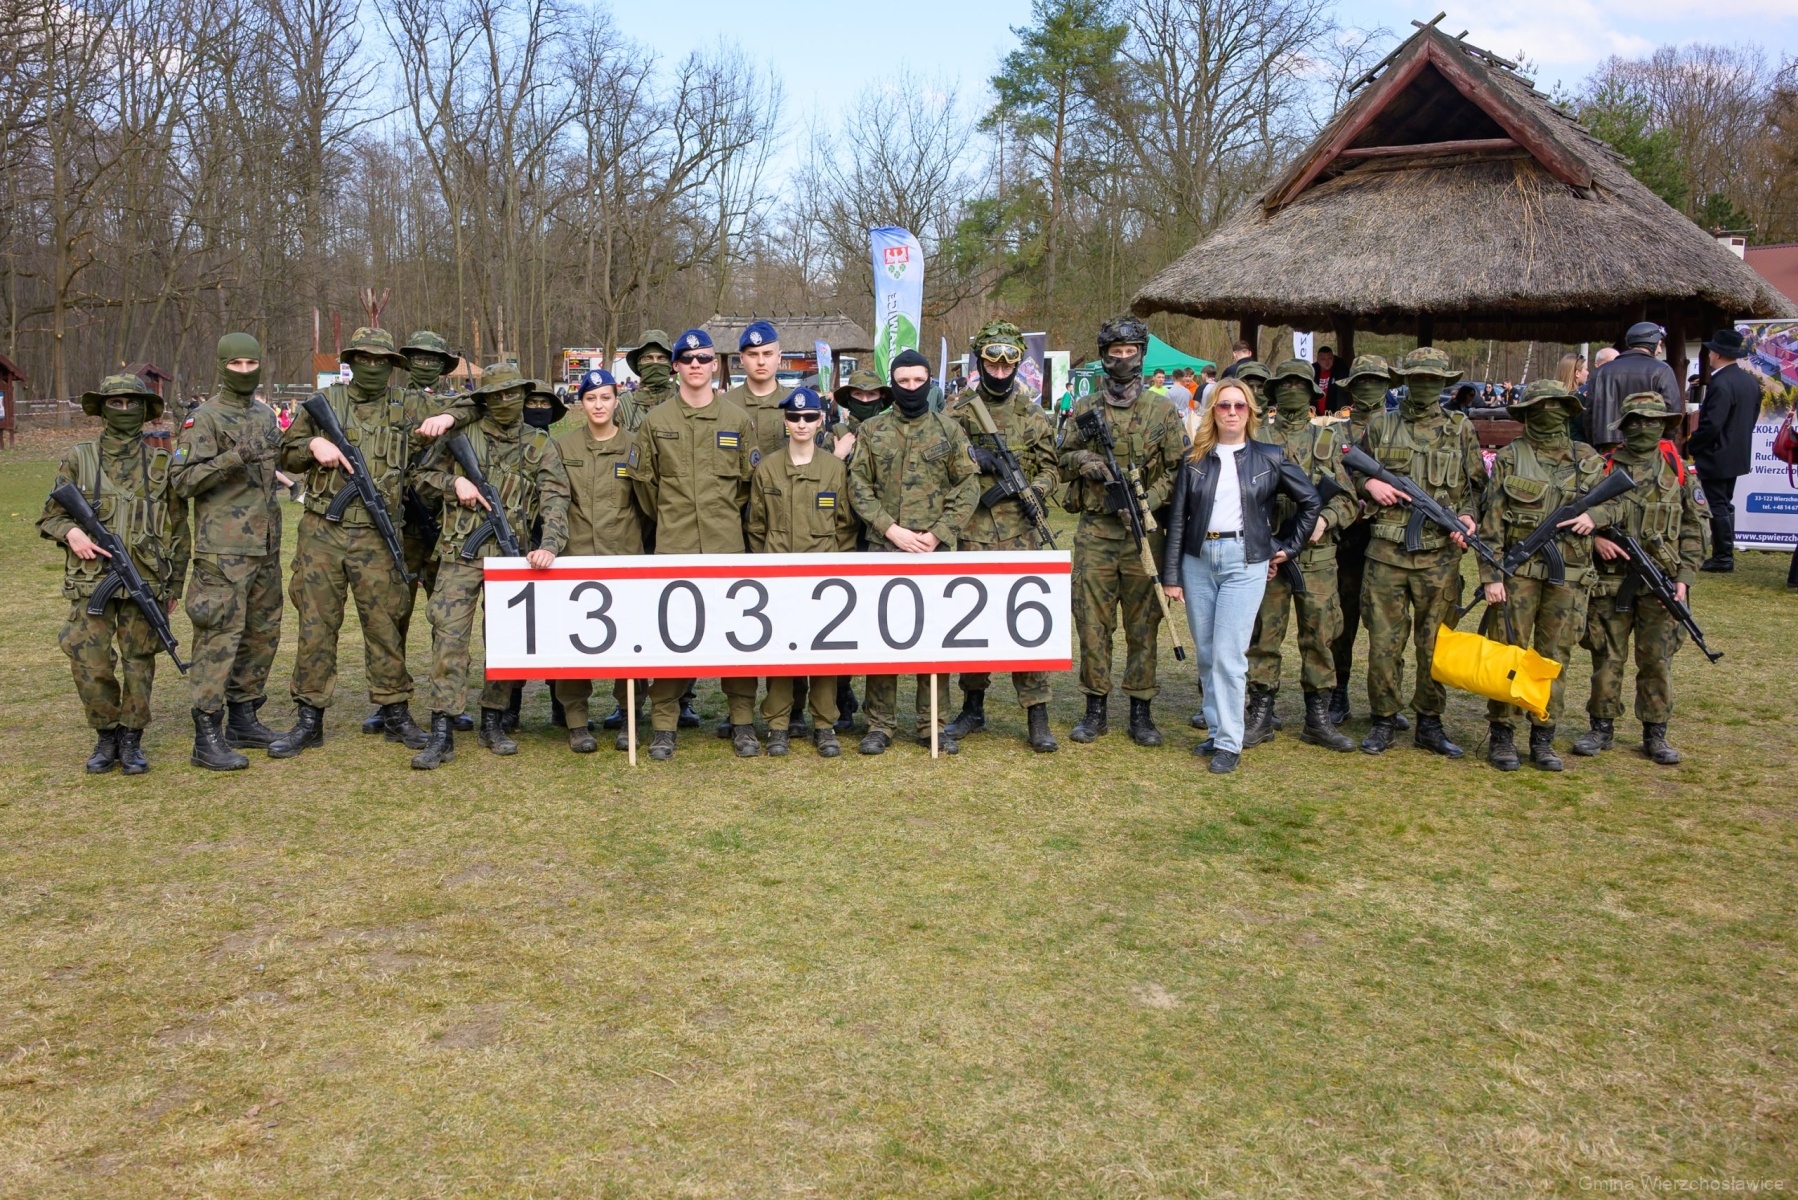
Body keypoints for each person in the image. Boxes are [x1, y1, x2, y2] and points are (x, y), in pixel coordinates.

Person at [271, 327, 466, 759]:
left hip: (379, 533)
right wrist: (312, 443)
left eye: (381, 361)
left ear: (393, 365)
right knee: (316, 625)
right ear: (351, 361)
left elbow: (469, 408)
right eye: (365, 359)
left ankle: (394, 710)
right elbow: (285, 452)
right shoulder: (325, 403)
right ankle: (309, 717)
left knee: (384, 624)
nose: (373, 367)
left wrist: (449, 418)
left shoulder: (408, 404)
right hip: (323, 531)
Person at [410, 363, 569, 768]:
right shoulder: (461, 436)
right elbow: (420, 478)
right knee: (449, 640)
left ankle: (493, 719)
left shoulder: (540, 444)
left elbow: (555, 499)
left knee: (505, 641)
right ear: (484, 400)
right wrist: (454, 484)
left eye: (512, 394)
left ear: (523, 395)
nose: (504, 402)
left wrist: (550, 545)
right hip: (459, 554)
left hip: (511, 557)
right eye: (496, 396)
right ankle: (442, 728)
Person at [1161, 379, 1319, 774]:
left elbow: (1310, 501)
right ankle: (1216, 729)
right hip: (1198, 560)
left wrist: (1287, 547)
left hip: (1244, 561)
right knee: (1207, 652)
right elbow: (1178, 518)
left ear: (1250, 412)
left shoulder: (1269, 457)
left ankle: (1231, 742)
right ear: (1212, 411)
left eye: (1239, 406)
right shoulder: (1194, 459)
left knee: (1229, 655)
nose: (1231, 412)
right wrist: (1171, 575)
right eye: (1223, 405)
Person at [39, 373, 191, 775]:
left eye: (132, 403)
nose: (124, 410)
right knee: (89, 662)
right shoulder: (80, 458)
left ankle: (131, 738)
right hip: (92, 581)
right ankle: (106, 735)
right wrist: (71, 532)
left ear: (145, 410)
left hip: (146, 579)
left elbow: (179, 529)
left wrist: (174, 585)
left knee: (140, 661)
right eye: (116, 403)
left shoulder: (161, 463)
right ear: (102, 409)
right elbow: (50, 516)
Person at [628, 328, 759, 760]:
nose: (697, 365)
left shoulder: (737, 421)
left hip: (726, 546)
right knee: (672, 638)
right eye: (688, 359)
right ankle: (664, 725)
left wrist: (719, 515)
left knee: (737, 638)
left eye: (704, 358)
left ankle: (742, 722)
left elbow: (747, 485)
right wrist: (673, 517)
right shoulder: (656, 422)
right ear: (676, 367)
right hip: (675, 546)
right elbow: (645, 486)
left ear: (715, 365)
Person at [1057, 316, 1188, 746]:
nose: (1124, 360)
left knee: (1143, 624)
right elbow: (1061, 458)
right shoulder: (1085, 408)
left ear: (1142, 356)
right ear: (1104, 357)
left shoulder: (1162, 410)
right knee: (1092, 623)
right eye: (1116, 353)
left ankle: (1141, 710)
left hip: (1143, 535)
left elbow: (1179, 468)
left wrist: (1147, 499)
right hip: (1096, 531)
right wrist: (1085, 462)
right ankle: (1094, 708)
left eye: (1131, 353)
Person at [1355, 347, 1488, 758]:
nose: (1425, 385)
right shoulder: (1381, 425)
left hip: (1440, 557)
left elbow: (1476, 486)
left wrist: (1468, 516)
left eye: (1434, 379)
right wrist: (1368, 484)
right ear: (1406, 381)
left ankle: (1429, 721)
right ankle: (1383, 718)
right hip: (1386, 554)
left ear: (1444, 383)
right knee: (1384, 644)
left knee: (1435, 644)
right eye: (1418, 378)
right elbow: (1351, 470)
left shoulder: (1460, 428)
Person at [1476, 380, 1615, 771]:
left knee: (1553, 657)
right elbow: (1492, 522)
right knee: (1509, 653)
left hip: (1568, 575)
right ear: (1526, 414)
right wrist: (1491, 575)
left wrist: (1595, 517)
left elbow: (1618, 503)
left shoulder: (1587, 458)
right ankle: (1503, 734)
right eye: (1540, 408)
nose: (1548, 414)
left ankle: (1543, 735)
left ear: (1568, 412)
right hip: (1517, 575)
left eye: (1556, 407)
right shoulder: (1510, 457)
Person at [847, 348, 979, 755]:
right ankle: (879, 724)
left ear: (929, 382)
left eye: (918, 381)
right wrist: (890, 529)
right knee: (882, 637)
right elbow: (858, 486)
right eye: (903, 381)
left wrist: (938, 534)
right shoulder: (873, 431)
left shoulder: (949, 431)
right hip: (885, 547)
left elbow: (968, 486)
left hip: (933, 552)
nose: (911, 387)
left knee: (934, 638)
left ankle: (932, 724)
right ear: (893, 384)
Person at [942, 320, 1062, 753]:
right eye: (991, 362)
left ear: (1017, 364)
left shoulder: (1033, 414)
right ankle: (972, 707)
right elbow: (938, 464)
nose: (999, 370)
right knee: (972, 623)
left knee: (1026, 623)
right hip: (972, 532)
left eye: (1007, 363)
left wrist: (1036, 491)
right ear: (980, 363)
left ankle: (1037, 712)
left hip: (1020, 536)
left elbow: (1053, 469)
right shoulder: (956, 412)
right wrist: (974, 457)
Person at [1571, 394, 1708, 765]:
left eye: (1652, 422)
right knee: (1607, 656)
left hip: (1660, 582)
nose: (1644, 428)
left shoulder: (1677, 470)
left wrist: (1684, 578)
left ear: (1664, 425)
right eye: (1636, 421)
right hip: (1610, 581)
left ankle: (1655, 731)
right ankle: (1601, 726)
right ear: (1624, 426)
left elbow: (1695, 528)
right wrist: (1596, 539)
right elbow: (1574, 515)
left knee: (1656, 659)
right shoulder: (1602, 467)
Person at [171, 332, 285, 770]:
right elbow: (181, 481)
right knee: (219, 637)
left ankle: (243, 717)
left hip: (265, 546)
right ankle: (207, 734)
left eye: (251, 363)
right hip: (223, 551)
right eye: (236, 364)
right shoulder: (204, 418)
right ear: (222, 366)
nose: (244, 371)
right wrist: (233, 458)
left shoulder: (265, 415)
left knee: (262, 634)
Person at [1243, 359, 1360, 752]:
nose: (1291, 390)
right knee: (1263, 636)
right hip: (1269, 556)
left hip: (1317, 558)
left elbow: (1348, 499)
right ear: (1273, 392)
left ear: (1312, 393)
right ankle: (1260, 713)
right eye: (1285, 384)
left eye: (1300, 385)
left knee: (1320, 637)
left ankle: (1318, 718)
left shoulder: (1326, 440)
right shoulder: (1255, 437)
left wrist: (1325, 519)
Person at [365, 328, 469, 737]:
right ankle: (390, 700)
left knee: (448, 621)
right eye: (419, 358)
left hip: (444, 526)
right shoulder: (389, 402)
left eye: (434, 359)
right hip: (399, 525)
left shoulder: (456, 407)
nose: (426, 365)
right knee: (393, 617)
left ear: (444, 366)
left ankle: (449, 701)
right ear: (407, 362)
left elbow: (476, 410)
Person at [746, 386, 861, 757]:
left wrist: (836, 573)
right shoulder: (767, 469)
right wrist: (766, 568)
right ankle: (778, 725)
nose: (801, 423)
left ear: (820, 420)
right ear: (785, 421)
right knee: (780, 652)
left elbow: (845, 526)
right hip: (778, 577)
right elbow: (756, 526)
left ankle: (825, 725)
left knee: (823, 654)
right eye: (794, 417)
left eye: (809, 417)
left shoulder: (833, 469)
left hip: (823, 579)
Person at [552, 369, 651, 753]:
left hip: (624, 559)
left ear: (616, 401)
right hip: (575, 559)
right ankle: (577, 722)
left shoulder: (634, 446)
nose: (598, 405)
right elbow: (556, 501)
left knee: (630, 643)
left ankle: (629, 716)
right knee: (574, 645)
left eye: (605, 397)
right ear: (582, 403)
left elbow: (647, 505)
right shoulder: (564, 447)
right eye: (591, 398)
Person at [1328, 354, 1403, 730]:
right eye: (1362, 381)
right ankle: (1337, 691)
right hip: (1348, 541)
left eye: (1376, 380)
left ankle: (1388, 700)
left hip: (1392, 542)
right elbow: (1326, 475)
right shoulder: (1335, 433)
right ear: (1351, 387)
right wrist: (1356, 493)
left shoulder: (1401, 429)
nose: (1369, 387)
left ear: (1387, 385)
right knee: (1342, 619)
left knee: (1389, 625)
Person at [1687, 328, 1760, 573]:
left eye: (1711, 351)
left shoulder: (1721, 382)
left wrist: (1693, 444)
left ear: (1717, 354)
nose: (1708, 355)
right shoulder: (1749, 380)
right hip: (1736, 451)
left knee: (1717, 504)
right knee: (1725, 503)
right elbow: (1751, 418)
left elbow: (1712, 424)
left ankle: (1723, 556)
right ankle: (1724, 553)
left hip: (1717, 453)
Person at [1586, 322, 1681, 448]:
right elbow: (1672, 411)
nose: (1659, 350)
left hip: (1607, 446)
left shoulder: (1600, 372)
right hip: (1647, 445)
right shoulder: (1662, 370)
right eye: (1659, 344)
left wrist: (1596, 444)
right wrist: (1664, 441)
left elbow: (1589, 414)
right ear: (1651, 343)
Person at [621, 330, 676, 432]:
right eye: (648, 358)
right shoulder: (624, 405)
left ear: (670, 364)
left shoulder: (684, 400)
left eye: (661, 358)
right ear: (639, 364)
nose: (655, 363)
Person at [1313, 345, 1346, 413]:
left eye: (1330, 358)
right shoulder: (1313, 371)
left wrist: (1339, 412)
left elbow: (1342, 393)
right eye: (1323, 359)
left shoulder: (1339, 370)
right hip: (1315, 414)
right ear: (1318, 360)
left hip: (1334, 414)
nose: (1327, 362)